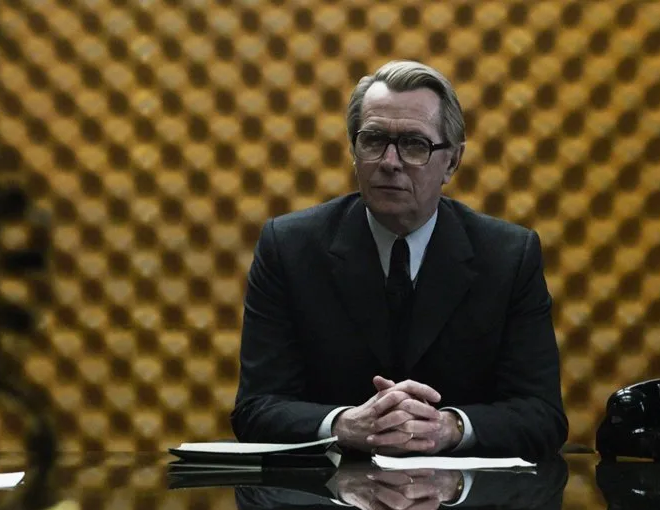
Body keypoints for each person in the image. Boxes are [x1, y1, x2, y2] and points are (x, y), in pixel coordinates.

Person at [231, 60, 567, 460]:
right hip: (327, 489)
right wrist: (344, 425)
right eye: (373, 140)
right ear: (353, 151)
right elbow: (255, 409)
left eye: (414, 144)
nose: (389, 161)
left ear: (452, 161)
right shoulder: (288, 248)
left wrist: (450, 427)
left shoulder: (509, 256)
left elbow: (542, 414)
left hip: (464, 492)